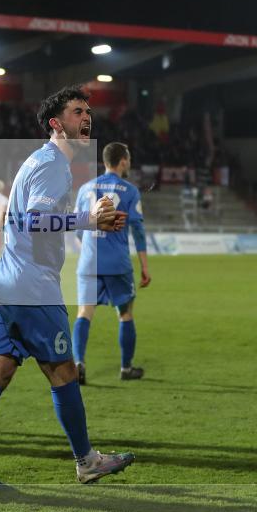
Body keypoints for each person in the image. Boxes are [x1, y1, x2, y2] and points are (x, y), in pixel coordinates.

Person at [0, 86, 134, 488]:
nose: (86, 118)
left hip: (5, 285)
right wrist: (87, 219)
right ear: (56, 123)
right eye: (76, 111)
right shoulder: (53, 163)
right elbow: (34, 221)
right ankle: (87, 461)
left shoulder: (39, 161)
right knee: (64, 372)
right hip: (33, 290)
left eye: (87, 111)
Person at [73, 142, 150, 384]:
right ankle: (126, 369)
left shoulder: (86, 188)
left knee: (84, 312)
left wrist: (87, 248)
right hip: (117, 263)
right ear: (123, 161)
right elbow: (137, 229)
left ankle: (78, 364)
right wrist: (145, 266)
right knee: (125, 313)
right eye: (128, 159)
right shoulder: (129, 191)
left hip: (89, 261)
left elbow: (78, 228)